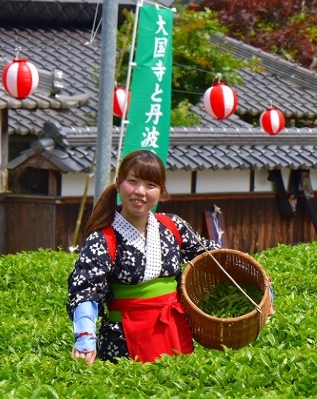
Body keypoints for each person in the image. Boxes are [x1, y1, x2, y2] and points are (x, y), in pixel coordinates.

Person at [67, 150, 222, 363]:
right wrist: (85, 338)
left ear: (160, 191)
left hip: (174, 332)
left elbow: (215, 258)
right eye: (133, 182)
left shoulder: (173, 226)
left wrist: (263, 290)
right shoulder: (103, 238)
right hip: (123, 340)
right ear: (119, 183)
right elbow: (86, 291)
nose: (140, 191)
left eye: (150, 185)